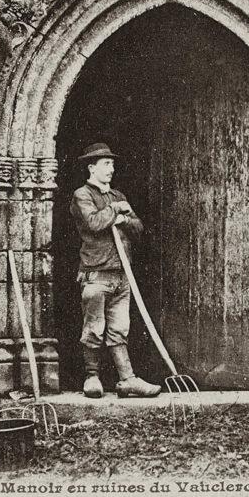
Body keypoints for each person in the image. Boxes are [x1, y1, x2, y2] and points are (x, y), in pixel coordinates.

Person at [70, 142, 161, 398]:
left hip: (122, 275)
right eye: (106, 164)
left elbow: (138, 227)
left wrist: (122, 217)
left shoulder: (117, 196)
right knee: (93, 329)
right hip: (96, 274)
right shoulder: (83, 195)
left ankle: (127, 379)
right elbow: (93, 223)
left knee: (120, 328)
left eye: (112, 164)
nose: (111, 169)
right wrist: (116, 212)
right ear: (92, 167)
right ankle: (92, 378)